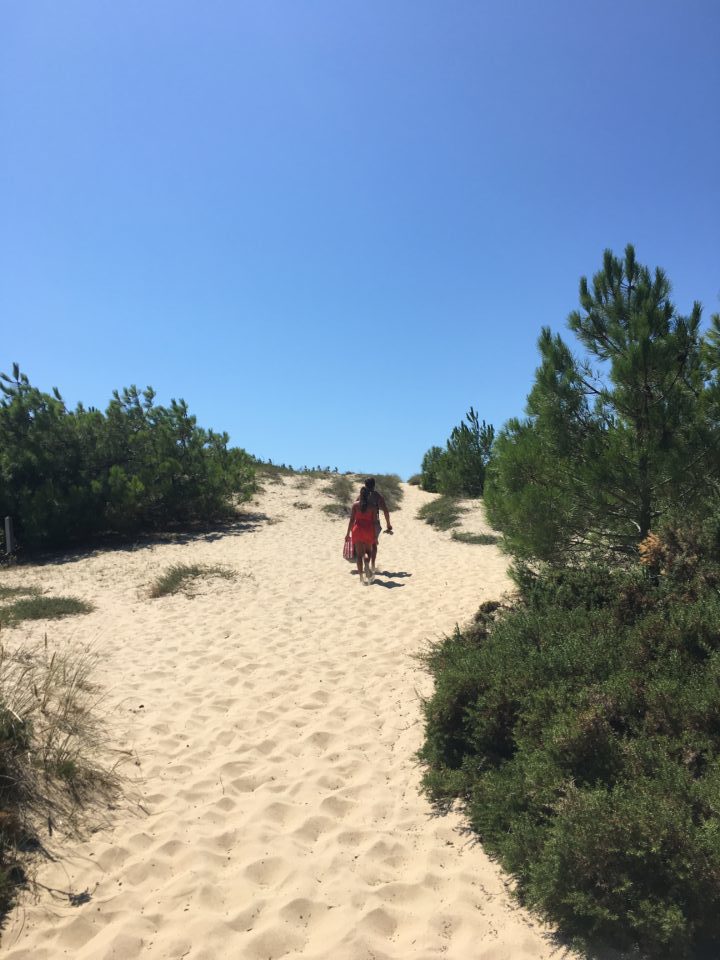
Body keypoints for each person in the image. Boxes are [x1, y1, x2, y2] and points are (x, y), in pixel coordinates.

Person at [346, 484, 383, 585]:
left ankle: (361, 578)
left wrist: (347, 534)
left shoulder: (355, 505)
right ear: (368, 495)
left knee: (359, 555)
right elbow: (375, 522)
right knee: (368, 552)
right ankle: (367, 562)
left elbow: (351, 520)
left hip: (357, 530)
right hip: (368, 531)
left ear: (360, 495)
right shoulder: (373, 507)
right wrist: (375, 536)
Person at [364, 477, 392, 574]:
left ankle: (366, 562)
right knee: (373, 544)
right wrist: (388, 524)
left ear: (365, 485)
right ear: (374, 485)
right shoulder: (377, 496)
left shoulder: (361, 496)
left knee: (364, 545)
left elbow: (355, 509)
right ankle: (372, 565)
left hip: (362, 523)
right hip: (374, 523)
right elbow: (385, 510)